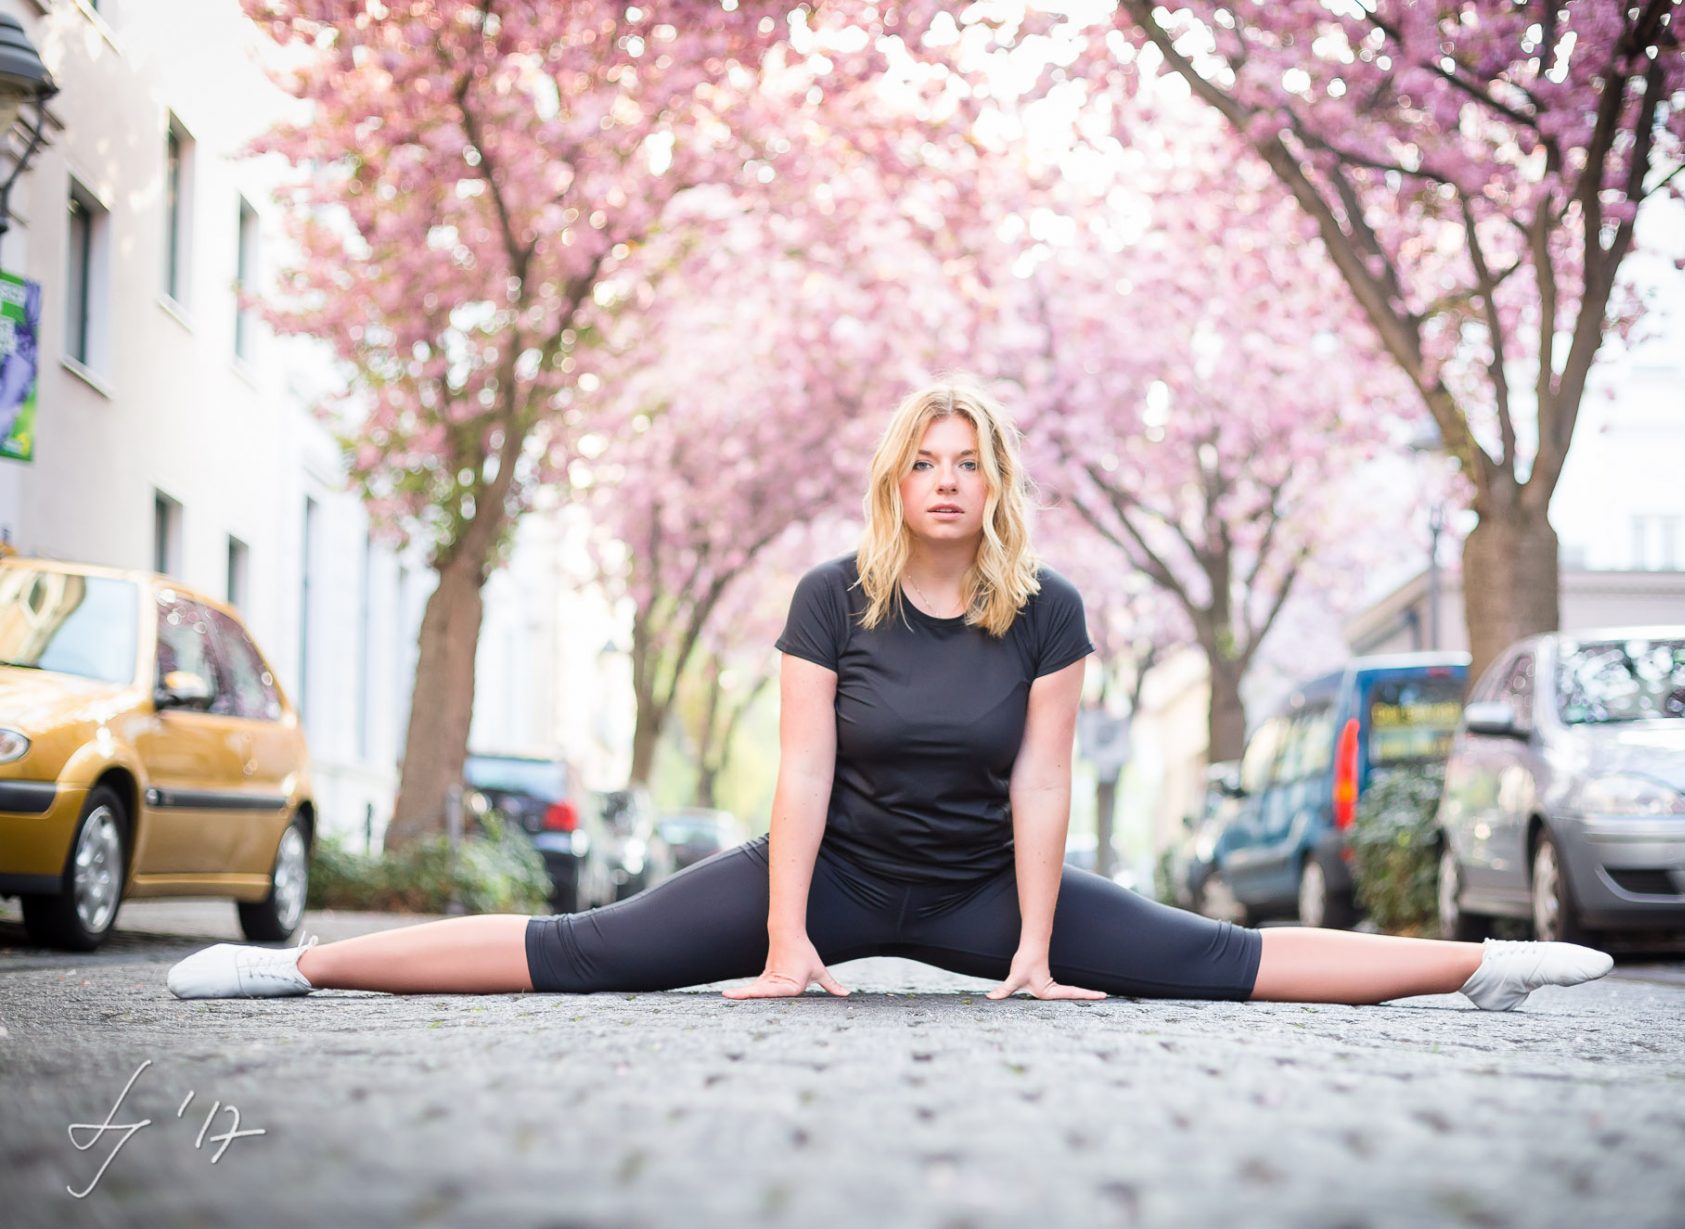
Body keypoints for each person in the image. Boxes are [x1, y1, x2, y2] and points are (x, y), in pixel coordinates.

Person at [168, 376, 1612, 1012]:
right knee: (592, 945)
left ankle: (1487, 968)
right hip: (842, 875)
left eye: (965, 460)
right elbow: (797, 773)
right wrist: (790, 940)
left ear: (992, 482)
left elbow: (1043, 781)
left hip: (985, 886)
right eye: (923, 459)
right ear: (895, 478)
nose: (943, 480)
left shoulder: (1046, 607)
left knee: (1203, 958)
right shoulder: (826, 596)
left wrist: (1038, 950)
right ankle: (289, 967)